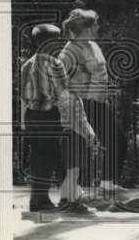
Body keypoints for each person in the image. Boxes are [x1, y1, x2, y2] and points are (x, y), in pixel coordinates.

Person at [20, 23, 99, 213]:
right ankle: (41, 201)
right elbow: (65, 96)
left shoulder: (27, 63)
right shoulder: (55, 64)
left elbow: (23, 96)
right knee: (50, 156)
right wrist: (81, 126)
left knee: (38, 156)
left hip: (32, 116)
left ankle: (38, 198)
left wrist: (23, 120)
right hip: (49, 116)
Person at [60, 8, 119, 190]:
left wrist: (105, 97)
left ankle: (106, 184)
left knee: (115, 141)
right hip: (83, 103)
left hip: (99, 102)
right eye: (95, 24)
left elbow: (101, 74)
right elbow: (60, 82)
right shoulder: (69, 51)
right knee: (84, 147)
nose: (98, 27)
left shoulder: (93, 45)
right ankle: (78, 190)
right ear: (86, 28)